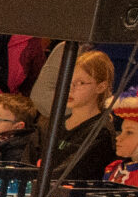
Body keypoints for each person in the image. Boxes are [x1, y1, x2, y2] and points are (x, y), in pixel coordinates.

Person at [51, 50, 121, 184]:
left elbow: (70, 173)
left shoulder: (101, 132)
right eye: (69, 81)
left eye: (80, 83)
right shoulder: (52, 123)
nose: (70, 89)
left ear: (100, 87)